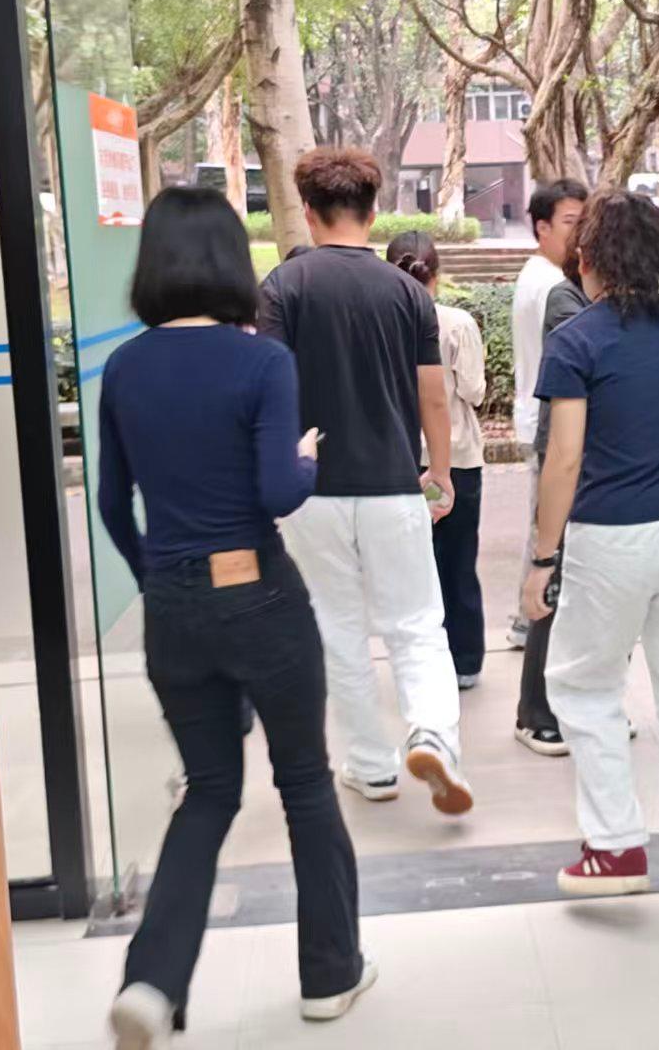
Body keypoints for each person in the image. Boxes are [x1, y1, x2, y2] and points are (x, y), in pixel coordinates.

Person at [95, 187, 371, 1047]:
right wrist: (306, 458)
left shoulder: (125, 367)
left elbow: (110, 502)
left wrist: (159, 577)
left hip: (173, 607)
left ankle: (151, 981)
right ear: (228, 259)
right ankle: (329, 974)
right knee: (304, 783)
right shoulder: (261, 363)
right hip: (260, 597)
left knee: (208, 790)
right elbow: (278, 492)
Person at [520, 190, 659, 928]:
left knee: (583, 684)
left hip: (613, 534)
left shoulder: (577, 339)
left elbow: (564, 459)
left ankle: (614, 848)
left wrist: (542, 559)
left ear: (589, 256)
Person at [260, 147, 475, 815]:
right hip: (392, 484)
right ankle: (432, 735)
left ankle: (372, 767)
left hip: (313, 491)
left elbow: (268, 389)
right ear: (374, 211)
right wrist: (439, 472)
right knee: (417, 624)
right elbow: (433, 395)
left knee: (338, 628)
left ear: (308, 211)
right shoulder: (406, 292)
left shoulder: (283, 288)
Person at [385, 230, 489, 688]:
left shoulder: (382, 324)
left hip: (402, 459)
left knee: (411, 570)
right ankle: (464, 661)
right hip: (458, 458)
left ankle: (418, 665)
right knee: (459, 563)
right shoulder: (457, 323)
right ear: (437, 274)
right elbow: (474, 391)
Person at [513, 239, 593, 755]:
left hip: (602, 465)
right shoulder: (567, 301)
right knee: (553, 583)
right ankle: (536, 712)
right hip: (564, 453)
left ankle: (590, 702)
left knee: (593, 595)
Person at [507, 178, 588, 654]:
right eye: (569, 223)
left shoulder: (538, 274)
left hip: (541, 417)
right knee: (547, 526)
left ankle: (529, 619)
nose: (579, 235)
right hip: (550, 422)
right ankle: (528, 621)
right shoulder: (552, 286)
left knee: (544, 522)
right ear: (542, 227)